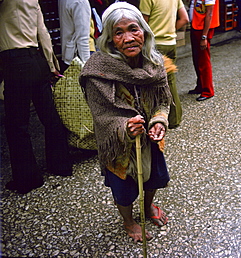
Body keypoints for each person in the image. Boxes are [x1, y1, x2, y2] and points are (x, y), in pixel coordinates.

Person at [79, 2, 172, 243]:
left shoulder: (154, 63)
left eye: (134, 29)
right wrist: (124, 128)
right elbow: (101, 116)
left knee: (154, 178)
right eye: (118, 33)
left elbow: (163, 100)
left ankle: (148, 207)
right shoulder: (97, 70)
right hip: (119, 143)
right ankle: (129, 221)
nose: (129, 38)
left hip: (149, 138)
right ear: (109, 40)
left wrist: (159, 120)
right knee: (123, 189)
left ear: (144, 31)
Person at [0, 0, 73, 194]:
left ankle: (27, 179)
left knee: (16, 125)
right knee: (50, 117)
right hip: (37, 59)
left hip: (14, 62)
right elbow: (43, 32)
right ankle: (61, 165)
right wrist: (51, 65)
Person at [139, 0, 189, 128]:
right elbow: (184, 19)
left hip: (154, 45)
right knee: (170, 81)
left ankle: (160, 119)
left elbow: (142, 26)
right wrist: (171, 30)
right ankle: (175, 117)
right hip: (171, 43)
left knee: (154, 83)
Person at [188, 0, 220, 101]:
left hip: (202, 29)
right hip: (196, 26)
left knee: (203, 60)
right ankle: (201, 85)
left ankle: (208, 90)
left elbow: (210, 13)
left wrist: (204, 36)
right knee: (197, 59)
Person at [58, 0, 92, 73]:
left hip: (68, 53)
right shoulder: (81, 2)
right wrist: (87, 68)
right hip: (78, 56)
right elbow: (83, 38)